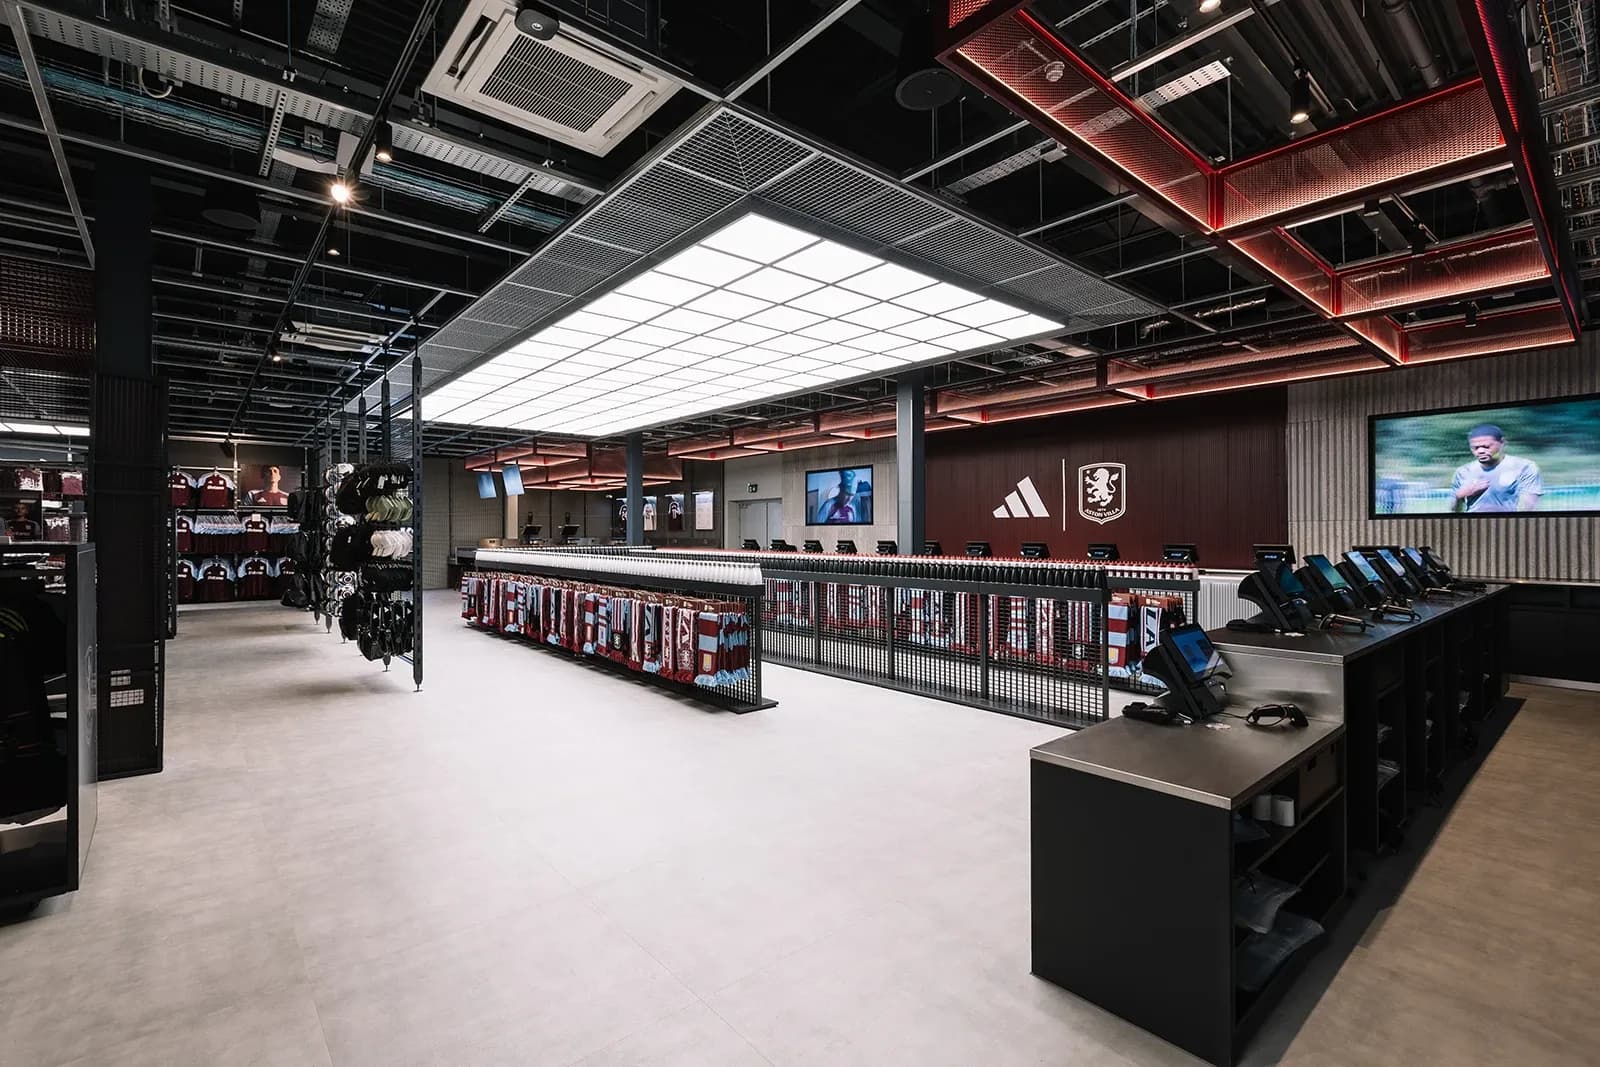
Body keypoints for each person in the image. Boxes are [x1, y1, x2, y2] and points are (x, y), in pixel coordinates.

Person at [1450, 423, 1543, 512]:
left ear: (1502, 443)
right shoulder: (1463, 472)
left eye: (1486, 446)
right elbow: (1455, 512)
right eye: (1476, 448)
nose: (1480, 451)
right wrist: (1459, 495)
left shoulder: (1524, 468)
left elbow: (1528, 508)